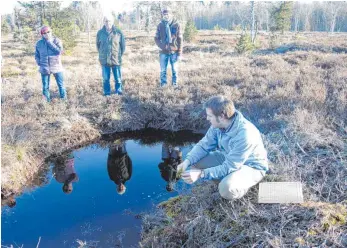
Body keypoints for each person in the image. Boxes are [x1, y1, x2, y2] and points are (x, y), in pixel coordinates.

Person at [177, 95, 268, 200]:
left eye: (210, 116)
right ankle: (226, 180)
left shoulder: (245, 134)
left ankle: (240, 188)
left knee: (227, 189)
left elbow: (230, 166)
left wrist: (201, 174)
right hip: (229, 158)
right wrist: (186, 162)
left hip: (251, 167)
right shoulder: (218, 125)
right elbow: (203, 146)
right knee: (196, 161)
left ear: (221, 116)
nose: (207, 119)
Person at [96, 13, 126, 96]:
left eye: (109, 21)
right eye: (106, 21)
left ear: (112, 22)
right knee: (105, 79)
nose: (107, 23)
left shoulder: (118, 32)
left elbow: (123, 47)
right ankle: (107, 93)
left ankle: (118, 91)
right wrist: (103, 54)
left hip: (116, 60)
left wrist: (118, 55)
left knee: (118, 79)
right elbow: (98, 46)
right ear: (103, 22)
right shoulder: (100, 33)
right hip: (104, 60)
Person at [35, 26, 66, 102]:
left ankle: (64, 100)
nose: (47, 34)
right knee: (45, 86)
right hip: (44, 67)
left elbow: (59, 51)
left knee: (61, 85)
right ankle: (46, 102)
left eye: (48, 32)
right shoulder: (39, 43)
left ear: (51, 32)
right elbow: (36, 55)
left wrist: (49, 42)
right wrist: (39, 63)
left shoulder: (56, 40)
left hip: (57, 66)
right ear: (42, 34)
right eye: (44, 33)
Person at [154, 8, 182, 87]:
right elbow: (156, 38)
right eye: (164, 14)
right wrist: (162, 46)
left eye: (167, 14)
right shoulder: (160, 25)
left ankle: (175, 85)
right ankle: (163, 85)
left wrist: (179, 53)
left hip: (174, 51)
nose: (166, 16)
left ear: (171, 14)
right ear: (163, 15)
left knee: (175, 70)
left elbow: (180, 39)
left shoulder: (176, 25)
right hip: (163, 52)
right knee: (163, 70)